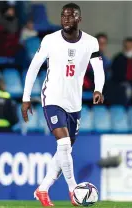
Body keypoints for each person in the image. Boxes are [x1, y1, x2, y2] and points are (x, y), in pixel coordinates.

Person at [21, 3, 105, 207]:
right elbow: (33, 68)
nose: (66, 19)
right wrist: (25, 97)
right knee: (64, 144)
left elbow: (99, 68)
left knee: (63, 152)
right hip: (52, 97)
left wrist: (98, 89)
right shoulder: (50, 40)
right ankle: (73, 190)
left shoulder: (91, 42)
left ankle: (42, 189)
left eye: (71, 16)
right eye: (63, 16)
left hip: (74, 102)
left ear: (79, 19)